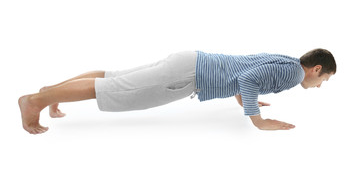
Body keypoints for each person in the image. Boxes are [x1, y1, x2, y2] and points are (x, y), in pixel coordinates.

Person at [18, 49, 336, 134]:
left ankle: (50, 92)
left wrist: (243, 97)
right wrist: (256, 118)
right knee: (116, 89)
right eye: (324, 79)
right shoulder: (295, 74)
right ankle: (35, 100)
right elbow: (249, 77)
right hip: (189, 76)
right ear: (315, 68)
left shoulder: (286, 60)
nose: (320, 85)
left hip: (191, 62)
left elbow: (244, 71)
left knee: (114, 77)